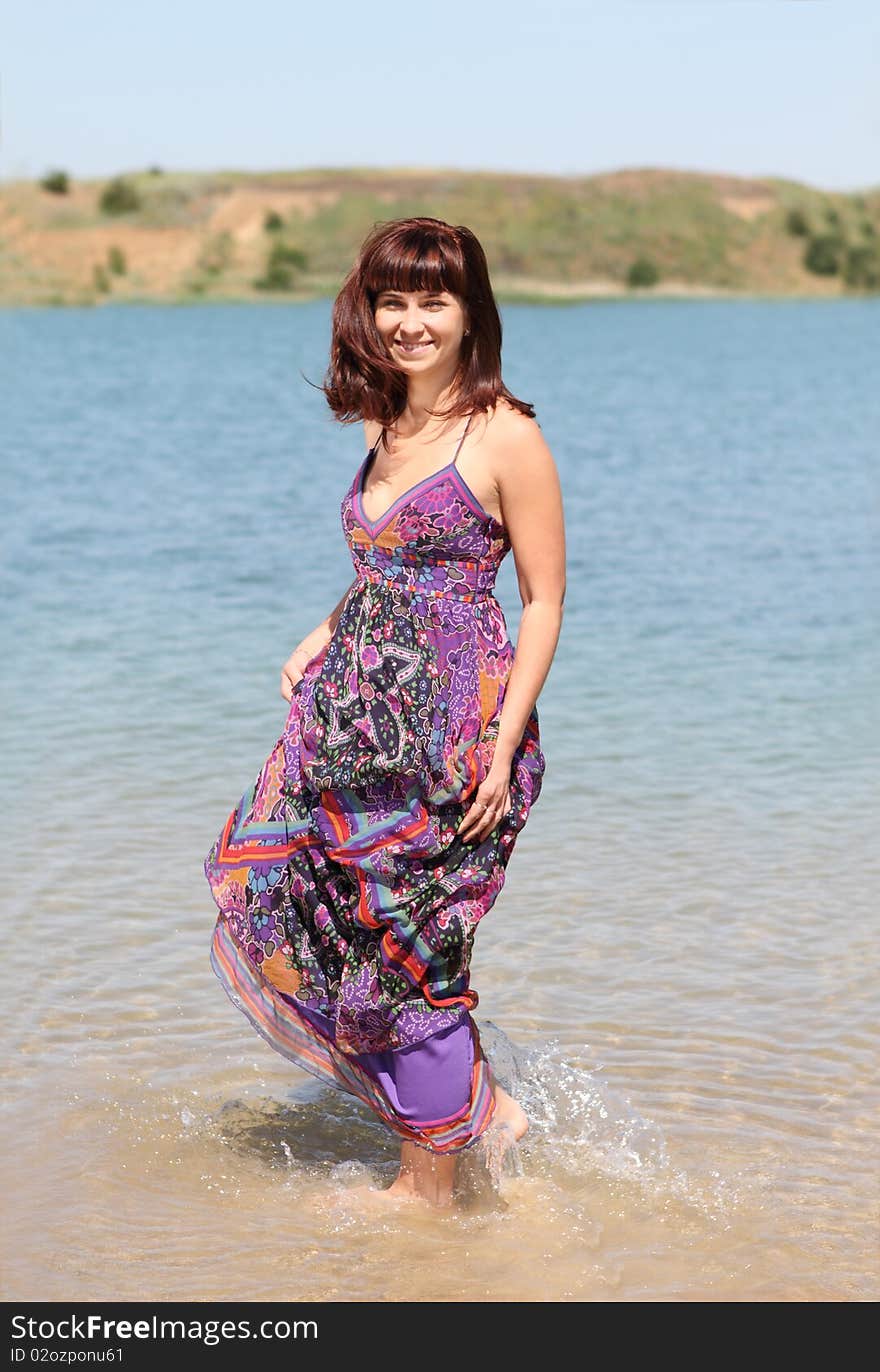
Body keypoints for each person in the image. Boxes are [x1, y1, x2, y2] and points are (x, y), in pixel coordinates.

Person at [204, 216, 566, 1210]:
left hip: (455, 733)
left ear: (469, 312)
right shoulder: (385, 424)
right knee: (297, 904)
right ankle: (484, 1113)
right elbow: (386, 563)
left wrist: (500, 747)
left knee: (411, 952)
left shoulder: (505, 436)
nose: (411, 322)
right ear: (367, 311)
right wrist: (323, 631)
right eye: (392, 301)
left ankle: (428, 1187)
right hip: (353, 724)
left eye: (433, 300)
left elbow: (542, 599)